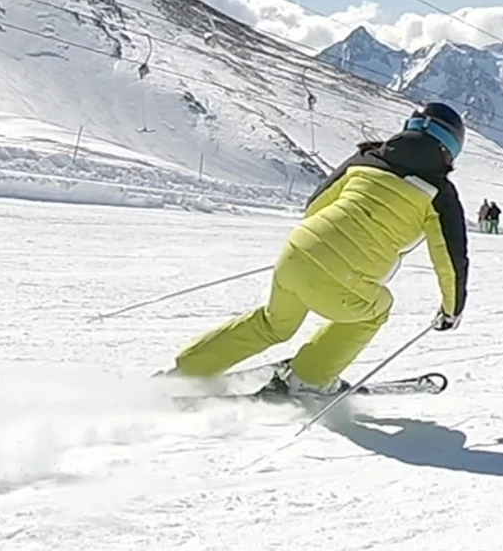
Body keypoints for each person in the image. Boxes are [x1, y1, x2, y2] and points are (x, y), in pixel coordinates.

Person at [169, 102, 471, 396]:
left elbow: (315, 206)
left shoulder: (366, 159)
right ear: (452, 148)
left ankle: (187, 370)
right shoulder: (439, 194)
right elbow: (450, 260)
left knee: (272, 324)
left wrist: (317, 249)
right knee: (376, 309)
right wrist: (450, 310)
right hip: (343, 279)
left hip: (296, 251)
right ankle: (310, 376)